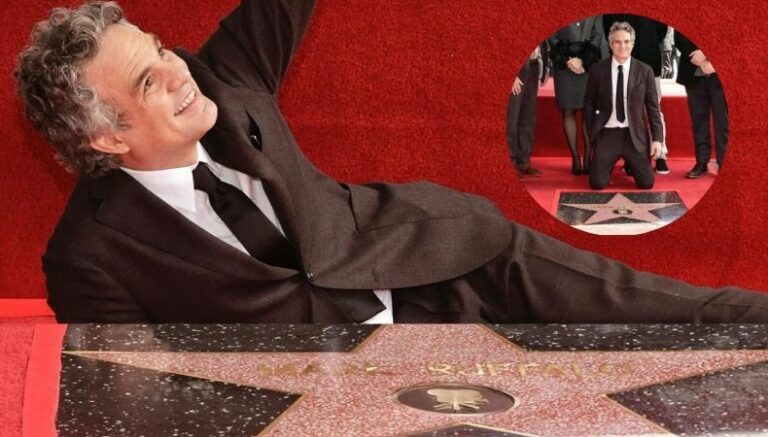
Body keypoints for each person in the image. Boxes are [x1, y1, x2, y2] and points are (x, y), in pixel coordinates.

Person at [15, 1, 768, 323]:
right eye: (148, 81)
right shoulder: (89, 258)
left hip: (449, 265)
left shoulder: (225, 78)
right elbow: (140, 398)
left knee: (664, 315)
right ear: (105, 136)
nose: (177, 70)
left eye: (159, 49)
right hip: (340, 388)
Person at [584, 21, 663, 190]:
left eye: (627, 42)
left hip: (633, 135)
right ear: (611, 44)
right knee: (597, 184)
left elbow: (653, 108)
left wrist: (657, 139)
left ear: (633, 44)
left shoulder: (645, 71)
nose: (622, 46)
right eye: (618, 42)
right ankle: (606, 163)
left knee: (646, 184)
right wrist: (593, 131)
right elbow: (589, 103)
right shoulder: (597, 70)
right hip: (607, 134)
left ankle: (631, 164)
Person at [602, 14, 671, 175]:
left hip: (650, 60)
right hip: (622, 60)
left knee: (654, 109)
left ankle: (660, 155)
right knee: (626, 107)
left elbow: (662, 28)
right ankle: (630, 156)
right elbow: (608, 27)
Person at [548, 16, 604, 175]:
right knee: (568, 111)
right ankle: (574, 156)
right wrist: (568, 60)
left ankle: (588, 155)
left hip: (588, 64)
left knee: (588, 112)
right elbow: (551, 35)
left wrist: (584, 61)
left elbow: (597, 34)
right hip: (564, 64)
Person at [674, 31, 727, 179]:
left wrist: (706, 54)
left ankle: (723, 162)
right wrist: (700, 59)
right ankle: (701, 163)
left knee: (723, 122)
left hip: (720, 73)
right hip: (693, 73)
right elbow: (679, 36)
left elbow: (729, 34)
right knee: (699, 122)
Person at [506, 43, 548, 177]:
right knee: (511, 120)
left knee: (528, 118)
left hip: (533, 65)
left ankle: (524, 162)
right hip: (516, 70)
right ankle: (509, 164)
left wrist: (545, 67)